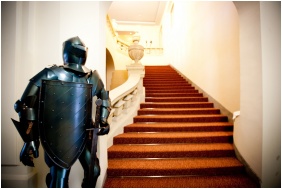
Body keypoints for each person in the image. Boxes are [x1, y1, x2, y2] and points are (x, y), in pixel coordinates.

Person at [11, 36, 111, 187]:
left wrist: (103, 119)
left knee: (94, 171)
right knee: (60, 180)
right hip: (58, 135)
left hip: (84, 132)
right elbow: (25, 105)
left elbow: (104, 99)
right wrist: (31, 139)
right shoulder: (50, 73)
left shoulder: (92, 77)